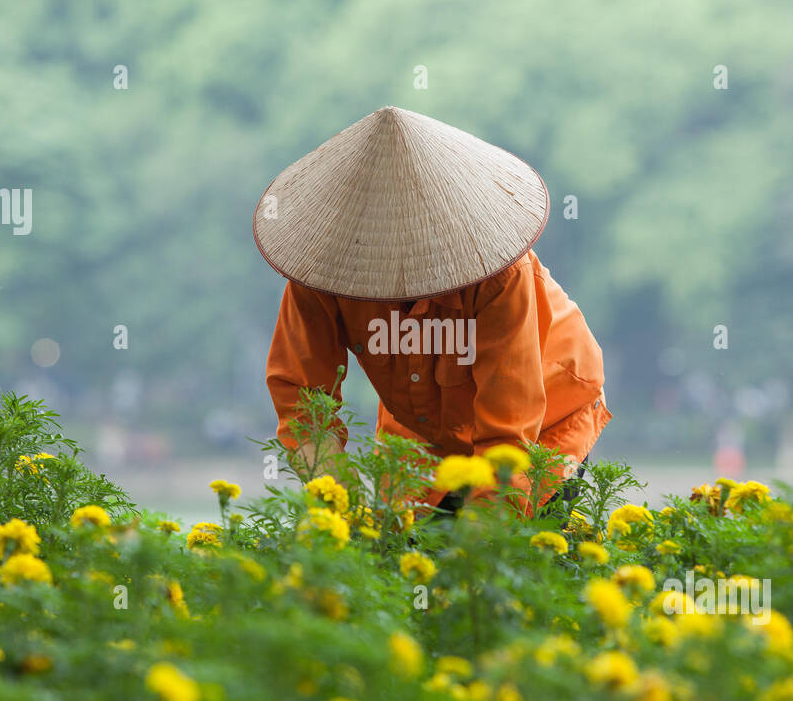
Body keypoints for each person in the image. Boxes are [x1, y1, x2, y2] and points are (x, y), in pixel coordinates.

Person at [256, 106, 610, 512]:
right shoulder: (322, 269)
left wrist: (481, 548)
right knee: (407, 552)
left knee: (514, 559)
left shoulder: (497, 275)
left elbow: (508, 436)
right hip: (421, 427)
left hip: (544, 419)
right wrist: (342, 508)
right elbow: (304, 400)